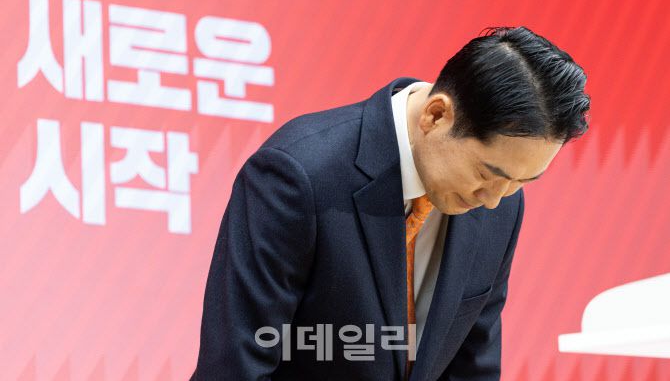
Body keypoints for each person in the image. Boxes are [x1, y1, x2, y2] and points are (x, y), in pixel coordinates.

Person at [191, 26, 591, 380]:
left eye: (523, 182)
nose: (493, 200)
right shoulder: (301, 174)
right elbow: (235, 366)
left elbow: (473, 364)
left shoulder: (503, 204)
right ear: (436, 115)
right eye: (487, 173)